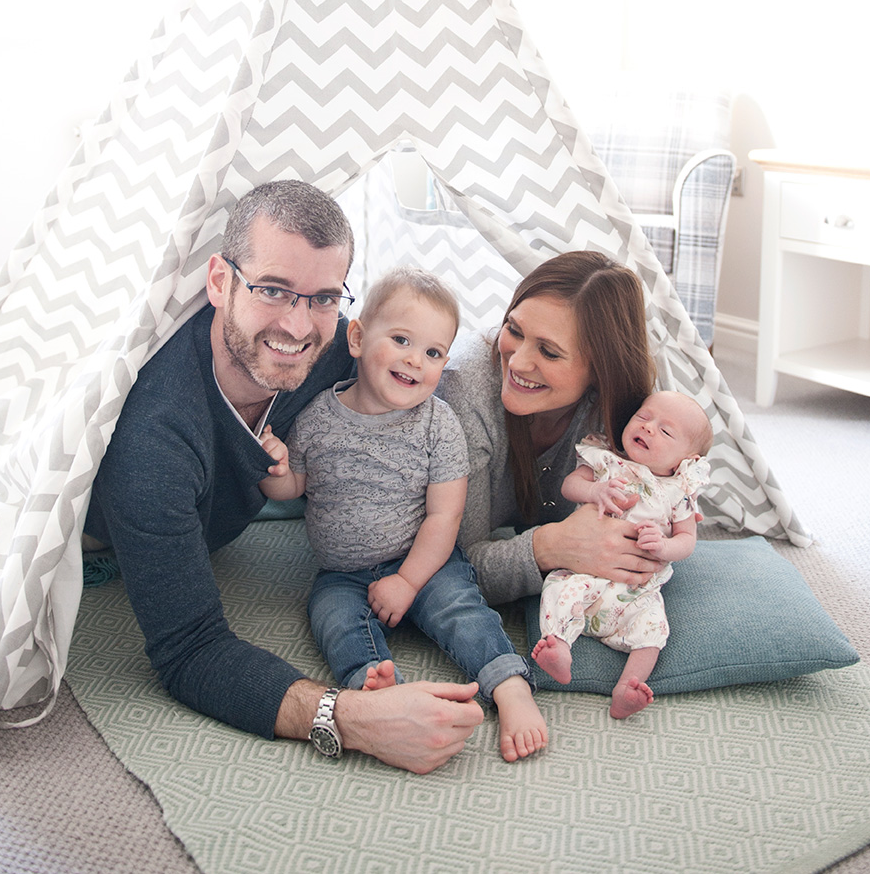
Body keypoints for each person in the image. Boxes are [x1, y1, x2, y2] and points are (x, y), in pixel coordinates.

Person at [84, 181, 484, 774]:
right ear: (219, 282)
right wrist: (351, 718)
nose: (299, 326)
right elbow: (189, 651)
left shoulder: (335, 350)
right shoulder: (155, 440)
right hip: (106, 539)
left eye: (323, 298)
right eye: (272, 290)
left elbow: (420, 358)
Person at [259, 268, 549, 762]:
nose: (416, 360)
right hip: (343, 573)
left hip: (424, 562)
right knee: (332, 619)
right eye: (401, 340)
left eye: (433, 353)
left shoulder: (439, 424)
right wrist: (274, 468)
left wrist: (409, 581)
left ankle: (509, 685)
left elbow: (444, 517)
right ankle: (374, 687)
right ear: (356, 339)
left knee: (461, 609)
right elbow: (293, 489)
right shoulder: (317, 418)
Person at [438, 251, 666, 617]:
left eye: (548, 352)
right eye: (514, 330)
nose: (517, 361)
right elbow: (449, 566)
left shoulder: (629, 414)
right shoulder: (464, 385)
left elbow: (651, 528)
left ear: (601, 370)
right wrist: (554, 545)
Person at [531, 390, 712, 717]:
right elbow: (569, 486)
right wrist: (594, 490)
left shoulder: (678, 491)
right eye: (643, 417)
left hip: (634, 591)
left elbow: (687, 540)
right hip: (583, 571)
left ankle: (628, 686)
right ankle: (558, 646)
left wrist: (664, 545)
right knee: (558, 587)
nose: (648, 427)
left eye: (665, 431)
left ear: (684, 461)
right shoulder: (606, 460)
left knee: (654, 626)